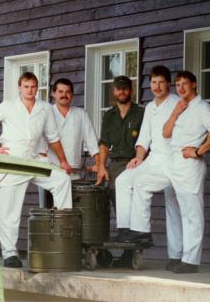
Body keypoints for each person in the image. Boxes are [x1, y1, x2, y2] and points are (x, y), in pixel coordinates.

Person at [127, 70, 210, 273]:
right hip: (172, 164)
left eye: (185, 84)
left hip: (189, 166)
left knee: (191, 214)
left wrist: (198, 151)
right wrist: (175, 112)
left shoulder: (202, 107)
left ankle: (191, 260)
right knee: (155, 195)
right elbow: (165, 133)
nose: (180, 88)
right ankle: (174, 254)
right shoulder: (181, 106)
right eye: (178, 84)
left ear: (194, 85)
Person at [0, 72, 73, 268]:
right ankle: (10, 253)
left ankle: (65, 235)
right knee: (10, 210)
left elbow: (53, 137)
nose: (30, 90)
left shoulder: (44, 108)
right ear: (19, 88)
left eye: (33, 87)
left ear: (37, 88)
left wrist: (63, 161)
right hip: (12, 160)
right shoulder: (8, 106)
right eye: (26, 87)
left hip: (34, 159)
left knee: (62, 180)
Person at [114, 66, 180, 246]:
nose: (157, 87)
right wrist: (138, 157)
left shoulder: (177, 103)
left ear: (168, 83)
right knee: (123, 180)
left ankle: (142, 231)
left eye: (161, 82)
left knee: (147, 188)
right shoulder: (150, 107)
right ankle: (125, 229)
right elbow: (144, 137)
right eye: (153, 82)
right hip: (152, 159)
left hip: (170, 159)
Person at [38, 78, 100, 207]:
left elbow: (93, 144)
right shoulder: (46, 113)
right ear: (53, 93)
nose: (64, 95)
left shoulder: (81, 114)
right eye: (60, 91)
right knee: (48, 214)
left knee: (70, 214)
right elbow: (39, 142)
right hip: (50, 173)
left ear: (72, 95)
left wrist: (99, 164)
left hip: (74, 173)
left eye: (67, 92)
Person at [96, 75, 144, 209]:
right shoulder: (108, 115)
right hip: (116, 166)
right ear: (114, 91)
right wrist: (101, 167)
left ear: (131, 91)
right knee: (119, 205)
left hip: (136, 163)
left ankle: (136, 230)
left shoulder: (141, 113)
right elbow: (104, 144)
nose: (122, 92)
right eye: (118, 89)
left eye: (125, 88)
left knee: (137, 205)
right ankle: (124, 230)